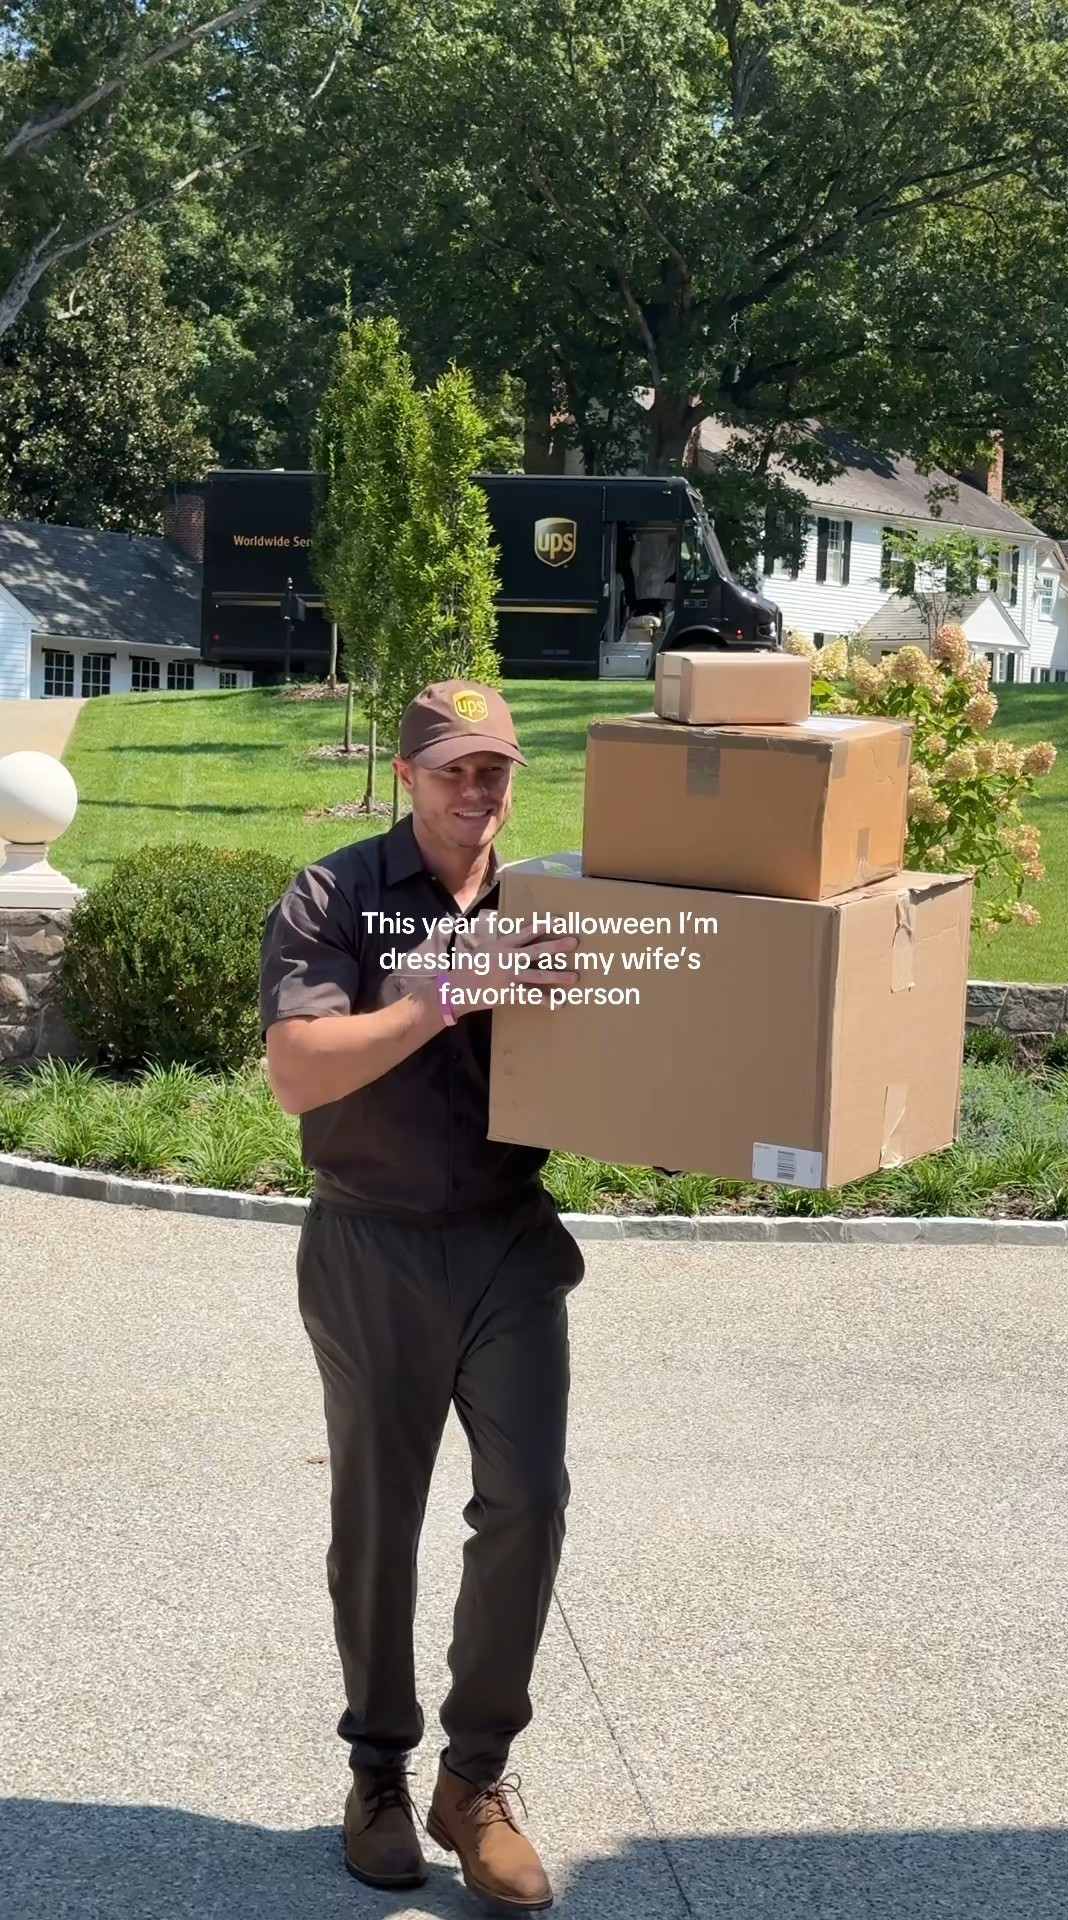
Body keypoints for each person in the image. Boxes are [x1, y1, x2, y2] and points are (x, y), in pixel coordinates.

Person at [259, 677, 583, 1913]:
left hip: (508, 1239)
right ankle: (379, 1775)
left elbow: (626, 1051)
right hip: (370, 1243)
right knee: (377, 1522)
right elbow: (299, 1070)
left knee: (530, 1501)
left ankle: (474, 1779)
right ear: (407, 776)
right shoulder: (336, 896)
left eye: (494, 769)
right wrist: (445, 991)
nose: (476, 790)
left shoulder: (545, 907)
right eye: (453, 768)